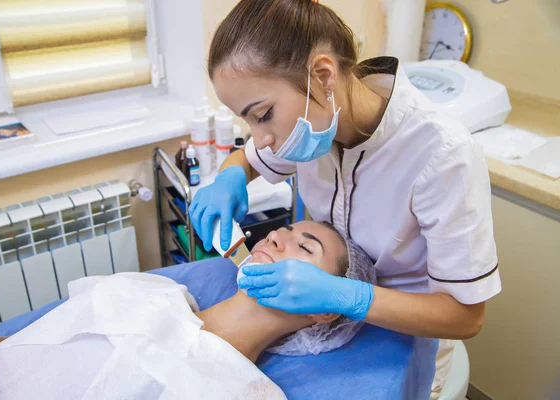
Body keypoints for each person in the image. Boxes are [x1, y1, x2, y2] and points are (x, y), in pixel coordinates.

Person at [189, 0, 502, 395]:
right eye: (247, 119)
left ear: (323, 75)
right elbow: (247, 158)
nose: (261, 137)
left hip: (404, 343)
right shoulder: (313, 120)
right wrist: (229, 176)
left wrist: (343, 295)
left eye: (263, 114)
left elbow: (465, 317)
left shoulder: (441, 155)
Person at [0, 221, 375, 400]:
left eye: (305, 247)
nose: (275, 238)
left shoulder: (250, 392)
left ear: (324, 311)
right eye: (282, 230)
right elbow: (44, 342)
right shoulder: (159, 291)